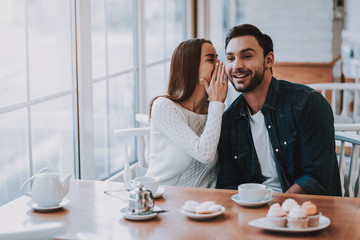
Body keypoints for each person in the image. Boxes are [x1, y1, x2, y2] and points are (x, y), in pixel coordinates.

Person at [216, 24, 342, 196]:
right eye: (230, 58)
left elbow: (315, 178)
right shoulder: (229, 121)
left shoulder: (307, 103)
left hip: (308, 212)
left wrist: (277, 207)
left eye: (247, 56)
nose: (237, 66)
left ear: (269, 60)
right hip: (254, 210)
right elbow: (228, 184)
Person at [145, 38, 228, 188]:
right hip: (159, 199)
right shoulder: (164, 107)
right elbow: (205, 154)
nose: (219, 65)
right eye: (211, 59)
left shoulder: (215, 110)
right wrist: (217, 103)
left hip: (197, 205)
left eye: (218, 58)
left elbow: (215, 174)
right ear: (191, 66)